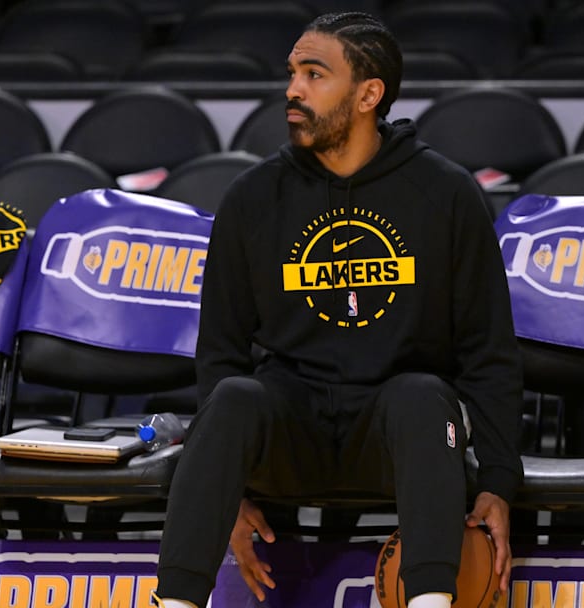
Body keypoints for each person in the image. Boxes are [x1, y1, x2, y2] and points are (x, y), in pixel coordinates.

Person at [154, 11, 523, 608]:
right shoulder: (252, 198)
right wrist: (229, 493)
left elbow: (489, 352)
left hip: (397, 436)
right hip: (291, 431)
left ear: (368, 94)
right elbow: (220, 353)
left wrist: (500, 483)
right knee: (233, 398)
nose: (292, 89)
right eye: (293, 72)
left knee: (423, 395)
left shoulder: (446, 193)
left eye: (314, 73)